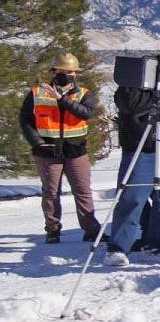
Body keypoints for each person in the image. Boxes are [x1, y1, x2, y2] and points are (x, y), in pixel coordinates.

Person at [104, 55, 160, 265]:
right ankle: (118, 248)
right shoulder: (132, 89)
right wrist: (156, 92)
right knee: (133, 199)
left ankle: (157, 244)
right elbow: (132, 107)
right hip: (142, 151)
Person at [18, 52, 102, 244]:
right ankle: (53, 229)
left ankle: (91, 229)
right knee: (50, 192)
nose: (70, 75)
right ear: (55, 71)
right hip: (48, 150)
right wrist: (38, 143)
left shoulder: (84, 94)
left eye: (73, 72)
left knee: (82, 190)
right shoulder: (36, 93)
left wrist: (62, 99)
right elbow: (25, 121)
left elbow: (86, 113)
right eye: (65, 71)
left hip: (75, 150)